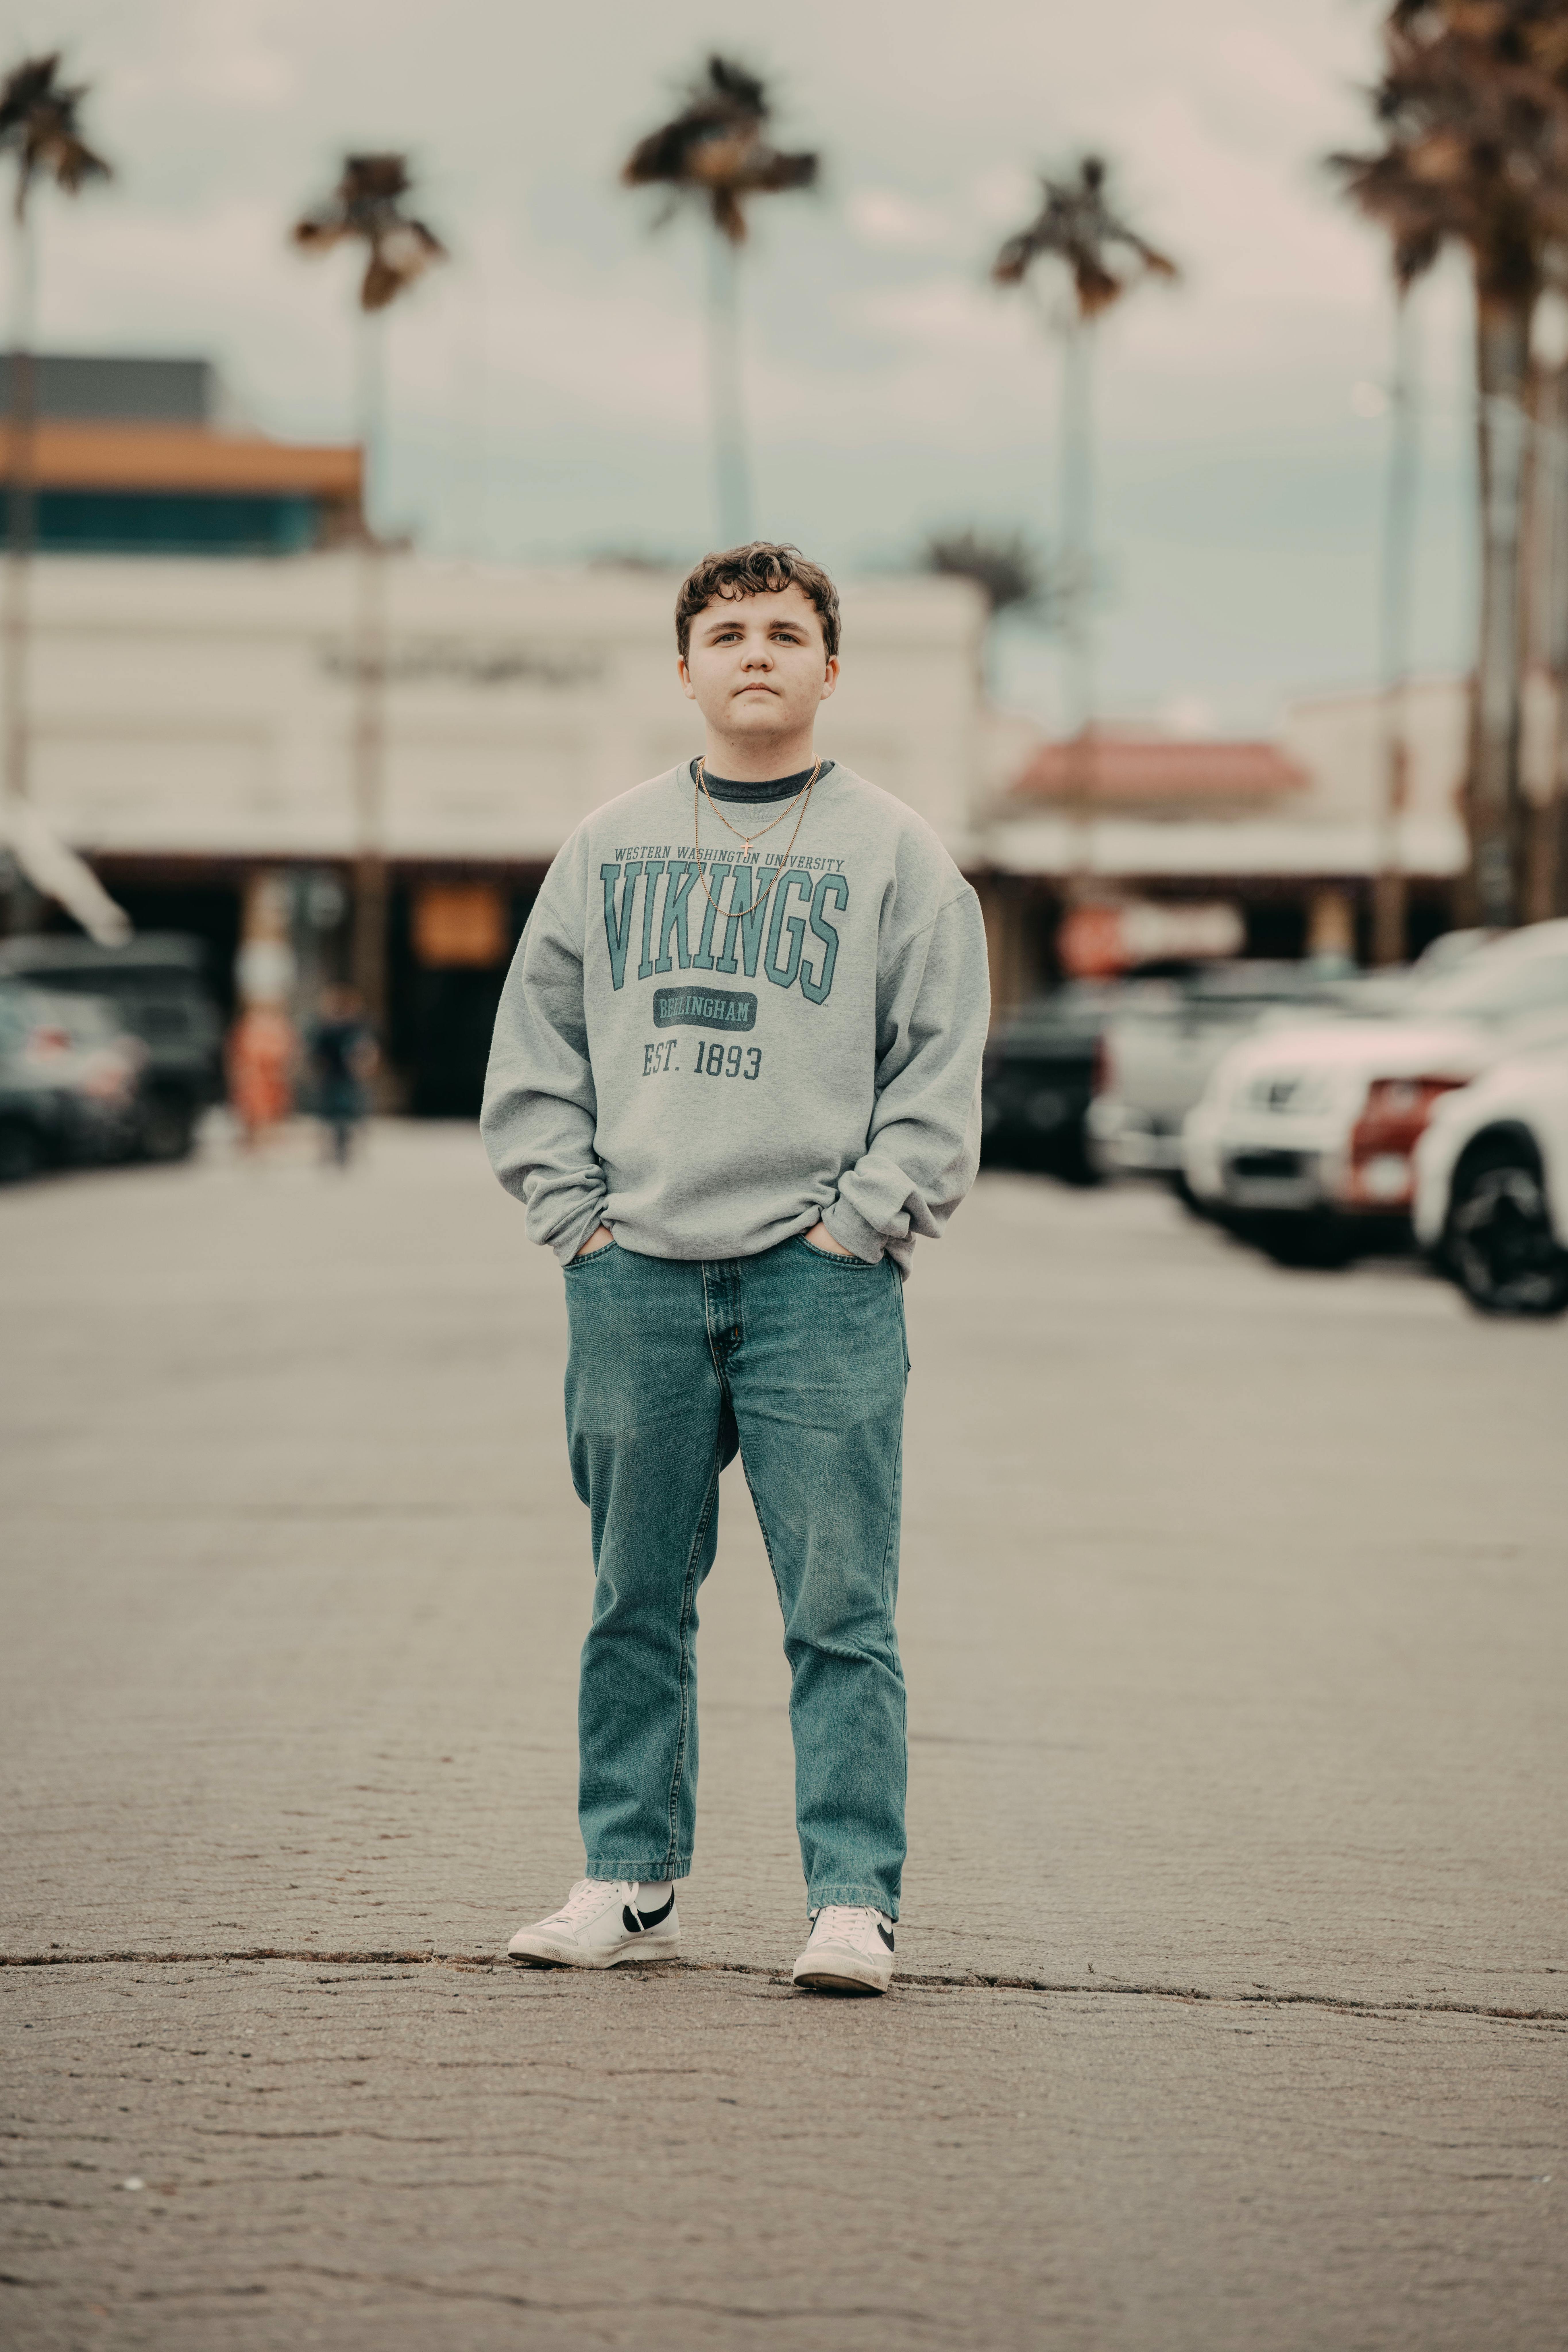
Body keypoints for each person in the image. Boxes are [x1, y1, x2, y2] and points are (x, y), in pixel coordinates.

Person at [481, 542, 989, 1995]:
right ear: (686, 667)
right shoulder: (608, 845)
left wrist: (861, 1221)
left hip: (819, 1285)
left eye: (784, 631)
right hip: (631, 1273)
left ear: (832, 666)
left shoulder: (895, 853)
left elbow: (940, 1066)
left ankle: (852, 1901)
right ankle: (628, 1882)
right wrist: (577, 1219)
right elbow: (537, 1055)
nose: (754, 652)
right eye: (725, 632)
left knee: (841, 1607)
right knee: (632, 1597)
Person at [307, 984, 377, 1167]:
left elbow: (365, 1052)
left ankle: (343, 1150)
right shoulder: (331, 1030)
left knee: (344, 1115)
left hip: (345, 1077)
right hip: (336, 1076)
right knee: (336, 1116)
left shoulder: (353, 1029)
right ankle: (337, 1150)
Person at [226, 1000, 297, 1152]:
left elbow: (282, 1051)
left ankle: (265, 1137)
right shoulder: (247, 1026)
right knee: (252, 1107)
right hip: (254, 1076)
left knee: (269, 1107)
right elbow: (238, 1051)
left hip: (268, 1076)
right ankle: (254, 1138)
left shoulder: (276, 1026)